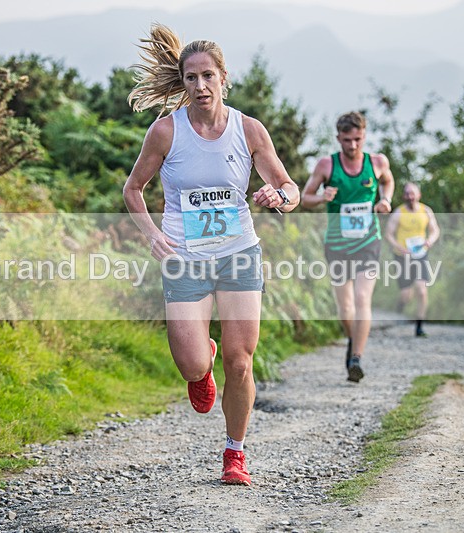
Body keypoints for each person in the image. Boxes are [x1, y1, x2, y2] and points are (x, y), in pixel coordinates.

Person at [122, 24, 299, 486]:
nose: (200, 86)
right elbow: (133, 189)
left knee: (241, 362)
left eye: (208, 76)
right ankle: (203, 365)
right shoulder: (165, 132)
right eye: (191, 78)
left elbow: (289, 187)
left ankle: (235, 453)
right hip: (185, 257)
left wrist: (278, 197)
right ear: (182, 83)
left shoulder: (248, 130)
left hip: (239, 253)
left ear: (224, 77)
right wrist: (152, 235)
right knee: (193, 364)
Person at [301, 111, 394, 383]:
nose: (353, 146)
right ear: (338, 138)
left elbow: (388, 180)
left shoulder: (376, 162)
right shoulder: (326, 166)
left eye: (357, 139)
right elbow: (304, 198)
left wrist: (385, 199)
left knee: (363, 299)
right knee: (345, 309)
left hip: (367, 240)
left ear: (364, 136)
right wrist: (321, 197)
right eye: (347, 140)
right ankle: (354, 342)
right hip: (338, 244)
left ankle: (356, 359)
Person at [384, 182, 440, 337]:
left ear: (419, 195)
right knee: (406, 295)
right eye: (407, 193)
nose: (410, 196)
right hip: (402, 256)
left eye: (413, 193)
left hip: (420, 255)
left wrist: (430, 241)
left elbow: (435, 230)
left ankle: (419, 326)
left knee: (422, 290)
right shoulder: (398, 213)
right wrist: (399, 247)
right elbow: (388, 234)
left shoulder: (426, 211)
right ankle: (400, 305)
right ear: (404, 196)